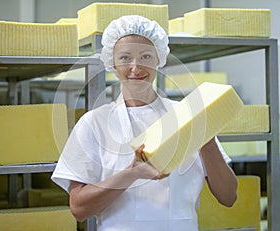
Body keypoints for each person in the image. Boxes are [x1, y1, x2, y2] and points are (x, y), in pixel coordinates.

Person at [51, 15, 237, 231]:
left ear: (159, 59)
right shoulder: (94, 123)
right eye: (125, 58)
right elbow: (79, 209)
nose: (136, 67)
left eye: (146, 56)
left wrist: (207, 139)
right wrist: (133, 173)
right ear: (112, 63)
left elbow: (228, 197)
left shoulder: (188, 114)